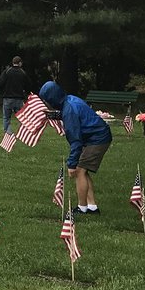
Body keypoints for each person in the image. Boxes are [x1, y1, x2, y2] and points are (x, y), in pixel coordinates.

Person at [39, 80, 112, 215]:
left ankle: (82, 208)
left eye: (45, 100)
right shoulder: (69, 100)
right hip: (96, 136)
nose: (45, 103)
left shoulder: (69, 111)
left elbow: (76, 140)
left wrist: (71, 164)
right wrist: (57, 115)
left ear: (52, 98)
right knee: (83, 171)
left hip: (97, 139)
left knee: (79, 171)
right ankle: (92, 207)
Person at [0, 56, 30, 132]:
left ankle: (8, 134)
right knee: (21, 117)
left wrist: (3, 90)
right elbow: (28, 84)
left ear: (13, 62)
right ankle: (22, 133)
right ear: (20, 63)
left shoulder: (7, 71)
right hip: (19, 98)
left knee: (6, 117)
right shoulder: (22, 73)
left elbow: (0, 83)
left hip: (8, 98)